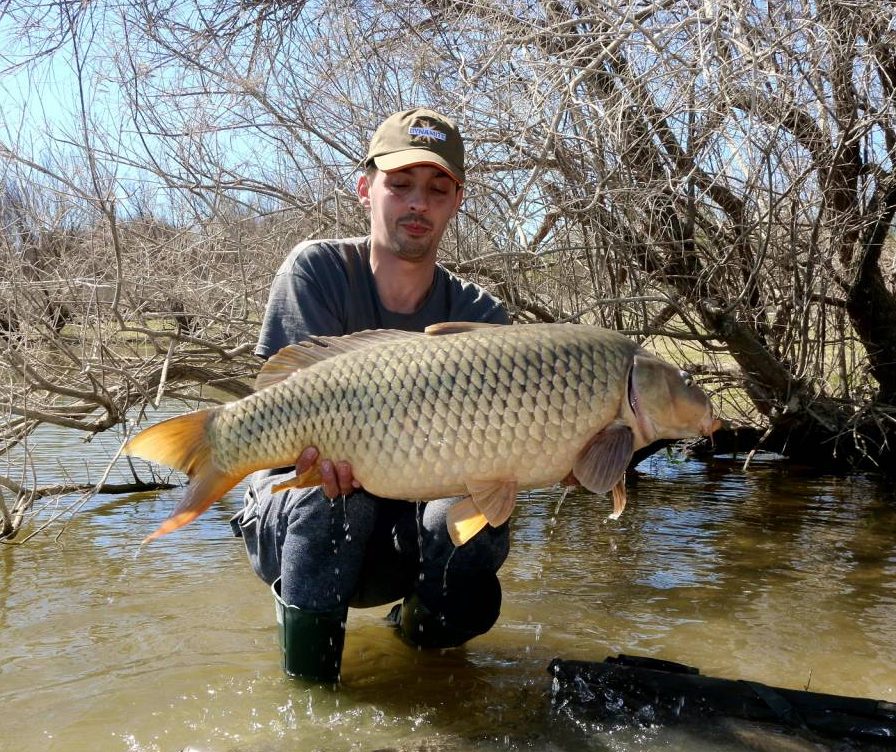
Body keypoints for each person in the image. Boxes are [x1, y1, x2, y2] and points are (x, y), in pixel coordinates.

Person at [231, 108, 511, 683]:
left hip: (416, 508)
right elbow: (283, 414)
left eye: (437, 189)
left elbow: (503, 456)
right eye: (400, 184)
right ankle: (310, 700)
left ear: (456, 202)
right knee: (332, 499)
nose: (418, 203)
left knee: (475, 523)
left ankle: (421, 650)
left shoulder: (482, 316)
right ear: (366, 189)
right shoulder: (316, 271)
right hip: (312, 498)